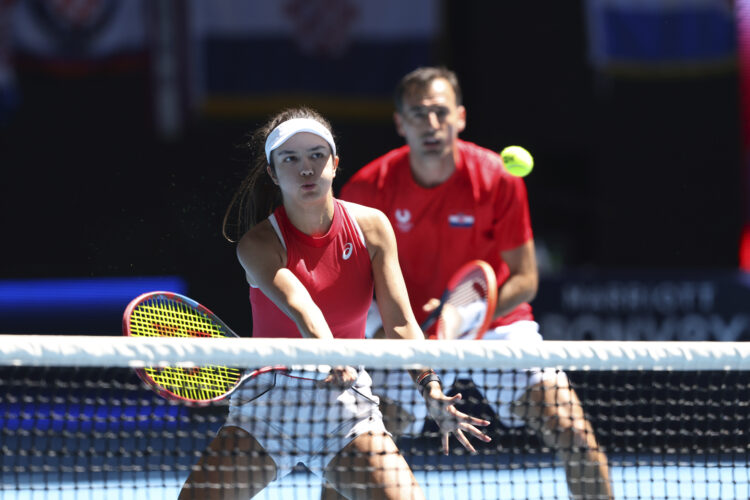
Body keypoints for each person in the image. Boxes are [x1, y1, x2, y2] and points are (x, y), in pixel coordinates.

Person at [177, 106, 491, 500]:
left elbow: (399, 322)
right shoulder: (258, 244)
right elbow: (301, 304)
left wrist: (430, 387)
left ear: (335, 163)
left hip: (343, 406)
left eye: (315, 155)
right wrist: (334, 354)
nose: (305, 169)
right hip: (271, 404)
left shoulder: (372, 228)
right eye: (290, 159)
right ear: (273, 173)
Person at [338, 67, 614, 500]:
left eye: (440, 112)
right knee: (351, 452)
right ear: (400, 123)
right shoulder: (369, 187)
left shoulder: (498, 178)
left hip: (494, 324)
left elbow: (524, 280)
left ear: (460, 117)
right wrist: (381, 330)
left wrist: (464, 317)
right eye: (418, 114)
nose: (431, 124)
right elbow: (349, 280)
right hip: (408, 326)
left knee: (574, 434)